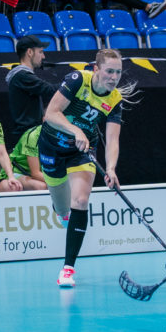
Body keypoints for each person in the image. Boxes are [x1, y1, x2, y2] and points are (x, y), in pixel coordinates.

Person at [37, 52, 131, 287]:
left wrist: (111, 169)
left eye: (118, 72)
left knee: (80, 200)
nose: (114, 77)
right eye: (109, 71)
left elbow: (113, 139)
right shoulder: (78, 80)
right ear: (96, 69)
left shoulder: (115, 99)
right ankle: (62, 212)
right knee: (62, 208)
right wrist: (76, 130)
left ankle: (68, 269)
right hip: (51, 147)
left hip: (82, 151)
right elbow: (51, 114)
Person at [6, 35, 55, 149]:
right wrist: (72, 81)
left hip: (29, 135)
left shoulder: (22, 75)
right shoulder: (22, 75)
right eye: (40, 52)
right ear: (29, 52)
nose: (43, 56)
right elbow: (49, 89)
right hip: (26, 137)